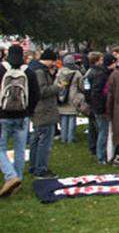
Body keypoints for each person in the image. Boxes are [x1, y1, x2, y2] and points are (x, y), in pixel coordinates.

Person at [0, 45, 40, 196]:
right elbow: (36, 94)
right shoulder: (28, 72)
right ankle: (18, 180)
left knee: (1, 148)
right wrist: (29, 111)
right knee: (20, 149)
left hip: (3, 115)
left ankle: (10, 176)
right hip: (22, 116)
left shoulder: (1, 70)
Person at [30, 49, 61, 179]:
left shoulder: (35, 69)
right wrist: (58, 87)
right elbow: (42, 91)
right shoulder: (40, 72)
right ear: (49, 60)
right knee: (44, 142)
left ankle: (34, 166)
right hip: (44, 111)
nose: (54, 64)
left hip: (38, 111)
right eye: (53, 61)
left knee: (36, 140)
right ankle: (41, 169)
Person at [90, 53, 117, 164]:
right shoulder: (102, 75)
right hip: (101, 108)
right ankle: (101, 156)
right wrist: (102, 108)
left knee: (105, 131)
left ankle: (105, 154)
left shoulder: (104, 73)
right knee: (103, 132)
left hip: (102, 107)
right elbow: (97, 93)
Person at [56, 54, 84, 144]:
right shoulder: (77, 73)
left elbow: (56, 84)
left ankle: (63, 137)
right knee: (72, 117)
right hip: (73, 96)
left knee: (63, 117)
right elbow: (81, 85)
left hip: (62, 96)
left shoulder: (60, 72)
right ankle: (71, 138)